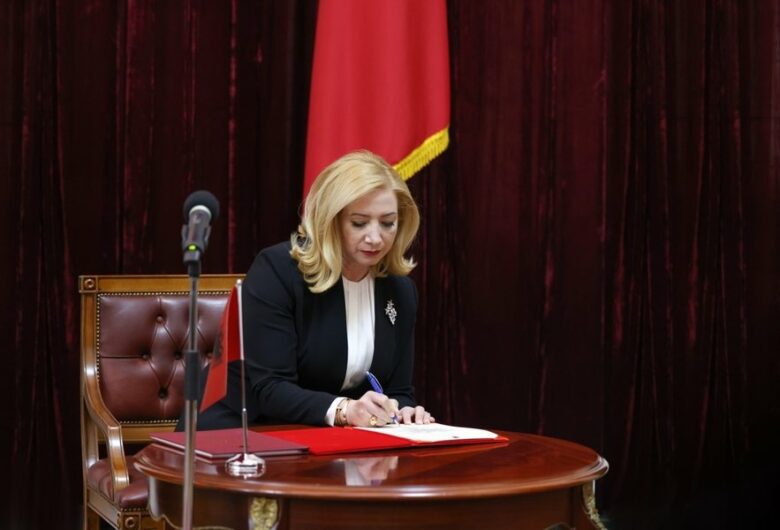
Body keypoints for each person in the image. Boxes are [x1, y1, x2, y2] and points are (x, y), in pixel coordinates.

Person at [197, 150, 434, 429]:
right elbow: (271, 389)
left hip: (333, 441)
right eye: (359, 223)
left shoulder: (400, 291)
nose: (375, 237)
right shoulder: (277, 271)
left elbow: (399, 390)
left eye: (387, 223)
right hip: (244, 432)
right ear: (331, 222)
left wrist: (404, 411)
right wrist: (345, 410)